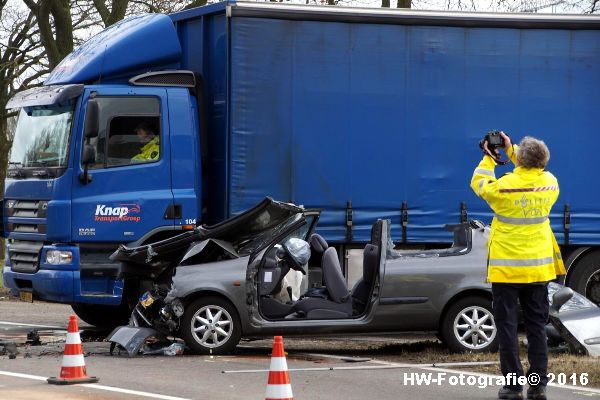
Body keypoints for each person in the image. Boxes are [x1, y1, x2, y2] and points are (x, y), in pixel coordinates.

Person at [470, 132, 566, 400]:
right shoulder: (551, 184)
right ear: (543, 161)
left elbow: (479, 183)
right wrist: (513, 151)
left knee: (508, 329)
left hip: (507, 271)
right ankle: (538, 386)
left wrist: (490, 158)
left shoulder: (504, 187)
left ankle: (512, 387)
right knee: (536, 328)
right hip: (538, 270)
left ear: (520, 160)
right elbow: (532, 168)